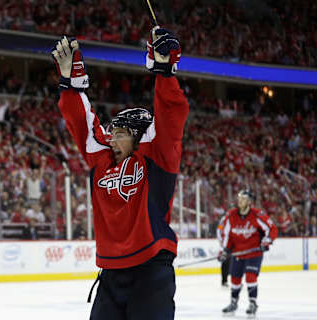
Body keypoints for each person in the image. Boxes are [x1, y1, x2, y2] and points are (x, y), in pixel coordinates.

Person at [52, 25, 188, 320]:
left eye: (121, 133)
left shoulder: (157, 157)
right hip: (111, 273)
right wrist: (70, 81)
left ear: (140, 138)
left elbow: (170, 115)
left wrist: (163, 71)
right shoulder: (101, 160)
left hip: (151, 270)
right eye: (111, 133)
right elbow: (84, 126)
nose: (111, 138)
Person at [218, 189, 278, 318]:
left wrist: (266, 241)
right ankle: (233, 302)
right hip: (238, 253)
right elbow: (226, 235)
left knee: (250, 276)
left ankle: (252, 303)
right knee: (235, 279)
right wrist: (224, 251)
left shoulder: (257, 215)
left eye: (244, 198)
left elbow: (271, 228)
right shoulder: (231, 215)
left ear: (249, 201)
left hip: (253, 253)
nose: (240, 200)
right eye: (239, 198)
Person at [216, 213, 230, 287]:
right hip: (225, 244)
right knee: (225, 262)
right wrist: (221, 241)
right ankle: (224, 280)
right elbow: (219, 230)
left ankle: (237, 280)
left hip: (234, 244)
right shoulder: (224, 219)